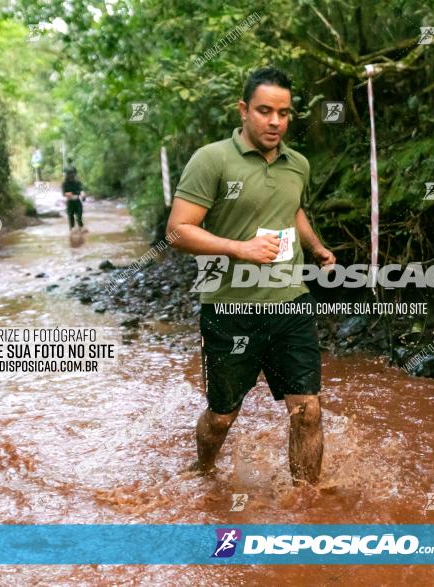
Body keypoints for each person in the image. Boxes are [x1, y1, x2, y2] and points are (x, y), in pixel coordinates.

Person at [166, 66, 336, 485]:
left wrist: (314, 246)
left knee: (307, 409)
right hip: (228, 307)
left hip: (290, 301)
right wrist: (239, 248)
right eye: (264, 110)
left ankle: (307, 503)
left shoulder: (298, 164)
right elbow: (177, 230)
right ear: (243, 110)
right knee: (223, 417)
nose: (275, 121)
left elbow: (292, 209)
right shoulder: (212, 159)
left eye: (284, 112)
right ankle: (203, 470)